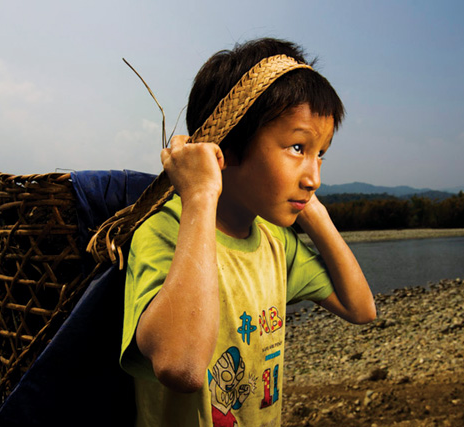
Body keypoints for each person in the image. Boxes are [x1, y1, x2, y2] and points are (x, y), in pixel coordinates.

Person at [120, 37, 376, 426]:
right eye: (296, 147)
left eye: (320, 153)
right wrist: (201, 196)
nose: (314, 178)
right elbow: (182, 367)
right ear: (229, 145)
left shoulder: (275, 243)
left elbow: (361, 309)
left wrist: (315, 214)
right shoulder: (166, 230)